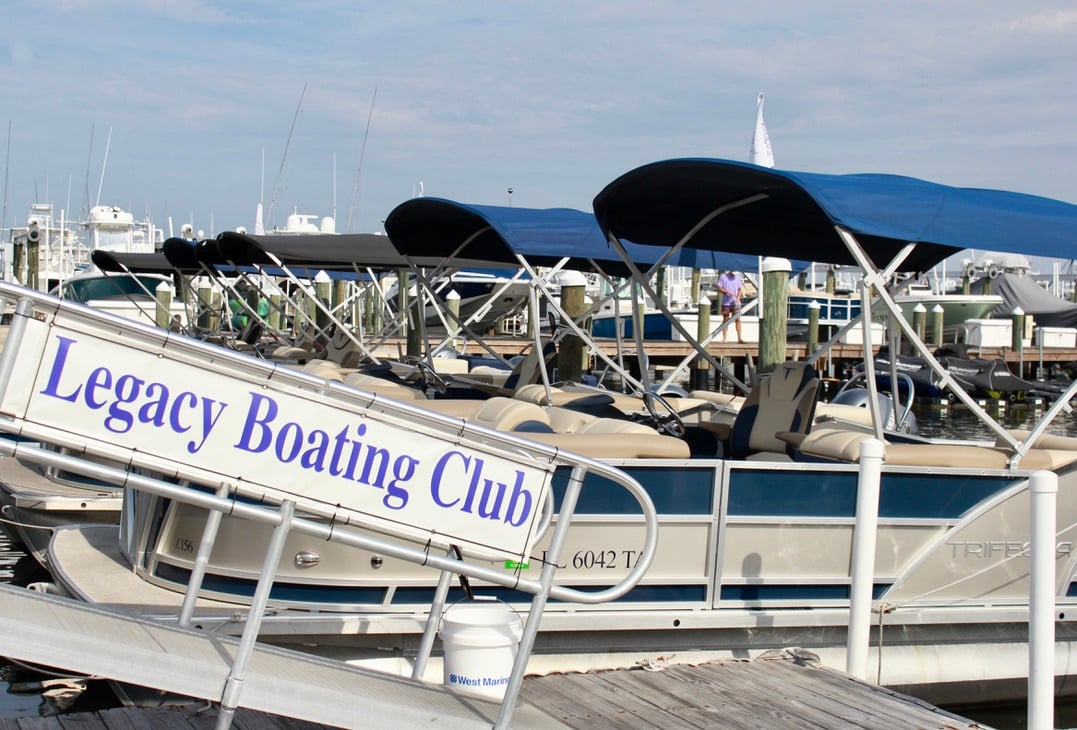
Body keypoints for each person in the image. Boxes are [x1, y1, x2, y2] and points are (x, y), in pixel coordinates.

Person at [716, 270, 744, 342]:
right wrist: (727, 292)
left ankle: (739, 338)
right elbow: (719, 288)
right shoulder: (723, 277)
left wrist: (738, 298)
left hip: (736, 302)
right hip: (726, 303)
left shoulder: (738, 278)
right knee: (725, 320)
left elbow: (740, 289)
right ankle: (724, 338)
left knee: (737, 319)